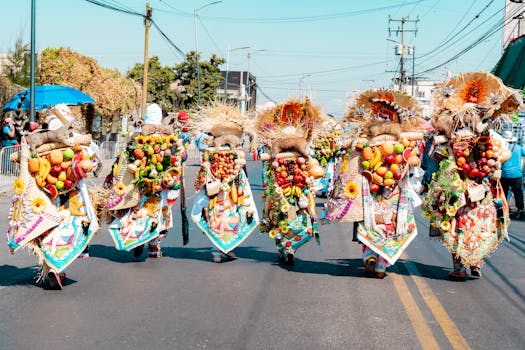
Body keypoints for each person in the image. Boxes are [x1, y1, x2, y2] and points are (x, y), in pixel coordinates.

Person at [500, 130, 525, 220]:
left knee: (504, 193)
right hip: (517, 174)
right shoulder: (518, 147)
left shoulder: (501, 148)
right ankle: (520, 209)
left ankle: (503, 210)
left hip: (504, 174)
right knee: (518, 193)